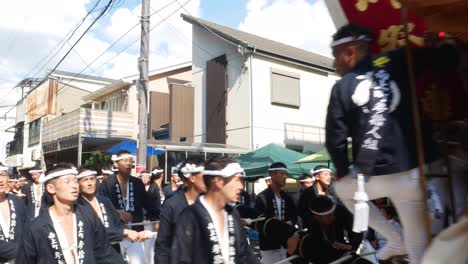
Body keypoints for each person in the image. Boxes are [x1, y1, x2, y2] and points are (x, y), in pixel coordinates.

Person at [325, 23, 459, 263]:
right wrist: (442, 46)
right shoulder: (396, 60)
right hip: (411, 173)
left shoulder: (343, 86)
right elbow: (445, 57)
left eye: (336, 56)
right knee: (418, 243)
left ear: (350, 52)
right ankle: (407, 246)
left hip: (373, 177)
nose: (334, 63)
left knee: (342, 188)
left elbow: (334, 139)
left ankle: (393, 238)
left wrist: (343, 171)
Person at [16, 163, 124, 264]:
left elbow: (105, 252)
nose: (74, 186)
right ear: (51, 188)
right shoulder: (36, 227)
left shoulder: (88, 215)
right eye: (67, 182)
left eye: (75, 181)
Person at [172, 157, 259, 264]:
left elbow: (245, 254)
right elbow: (180, 259)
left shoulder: (232, 214)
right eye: (237, 180)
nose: (241, 186)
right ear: (218, 181)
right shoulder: (190, 216)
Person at [98, 150, 160, 264]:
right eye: (125, 160)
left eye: (130, 161)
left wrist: (157, 218)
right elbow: (100, 207)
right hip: (116, 233)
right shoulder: (106, 185)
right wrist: (116, 212)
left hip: (135, 231)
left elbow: (148, 204)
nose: (128, 163)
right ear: (116, 164)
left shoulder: (137, 183)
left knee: (140, 261)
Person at [76, 167, 144, 249]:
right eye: (85, 180)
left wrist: (128, 229)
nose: (90, 183)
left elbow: (117, 223)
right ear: (78, 183)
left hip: (112, 250)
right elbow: (91, 232)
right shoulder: (76, 205)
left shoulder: (105, 201)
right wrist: (124, 232)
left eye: (92, 179)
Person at [154, 159, 206, 264]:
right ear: (192, 178)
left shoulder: (208, 203)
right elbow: (162, 244)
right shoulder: (171, 204)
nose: (209, 179)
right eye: (205, 175)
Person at [287, 196, 365, 264]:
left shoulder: (342, 212)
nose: (332, 217)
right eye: (328, 216)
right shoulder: (313, 225)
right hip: (327, 252)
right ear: (316, 216)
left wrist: (351, 247)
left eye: (332, 214)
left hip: (344, 249)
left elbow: (357, 232)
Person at [254, 162, 298, 264]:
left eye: (286, 174)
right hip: (269, 245)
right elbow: (259, 221)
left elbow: (294, 215)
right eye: (282, 174)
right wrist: (275, 225)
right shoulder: (262, 197)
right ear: (273, 175)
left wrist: (290, 222)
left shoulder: (287, 197)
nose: (285, 177)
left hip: (286, 242)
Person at [0, 165, 27, 263]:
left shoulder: (17, 202)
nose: (0, 180)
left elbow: (27, 229)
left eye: (2, 175)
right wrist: (22, 251)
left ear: (8, 177)